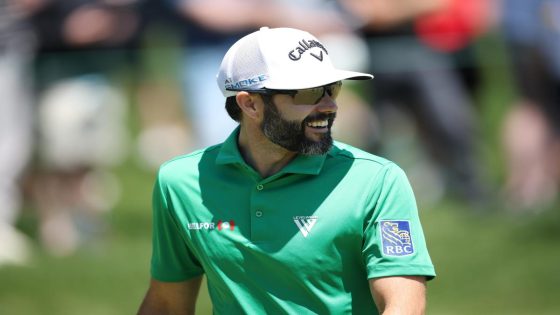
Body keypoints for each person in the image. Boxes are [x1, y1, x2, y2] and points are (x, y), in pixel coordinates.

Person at [137, 27, 435, 314]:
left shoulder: (378, 181)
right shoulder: (180, 183)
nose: (330, 105)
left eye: (332, 89)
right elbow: (166, 304)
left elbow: (405, 304)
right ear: (251, 104)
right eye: (309, 93)